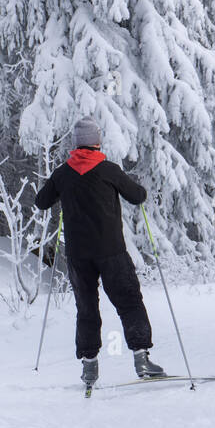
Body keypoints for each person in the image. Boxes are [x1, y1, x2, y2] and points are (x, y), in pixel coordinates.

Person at [35, 116, 164, 388]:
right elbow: (137, 196)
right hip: (111, 251)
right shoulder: (109, 170)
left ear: (75, 144)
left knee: (86, 307)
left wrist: (62, 190)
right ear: (97, 141)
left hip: (79, 256)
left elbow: (41, 202)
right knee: (129, 301)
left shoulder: (63, 173)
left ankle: (89, 367)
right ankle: (142, 359)